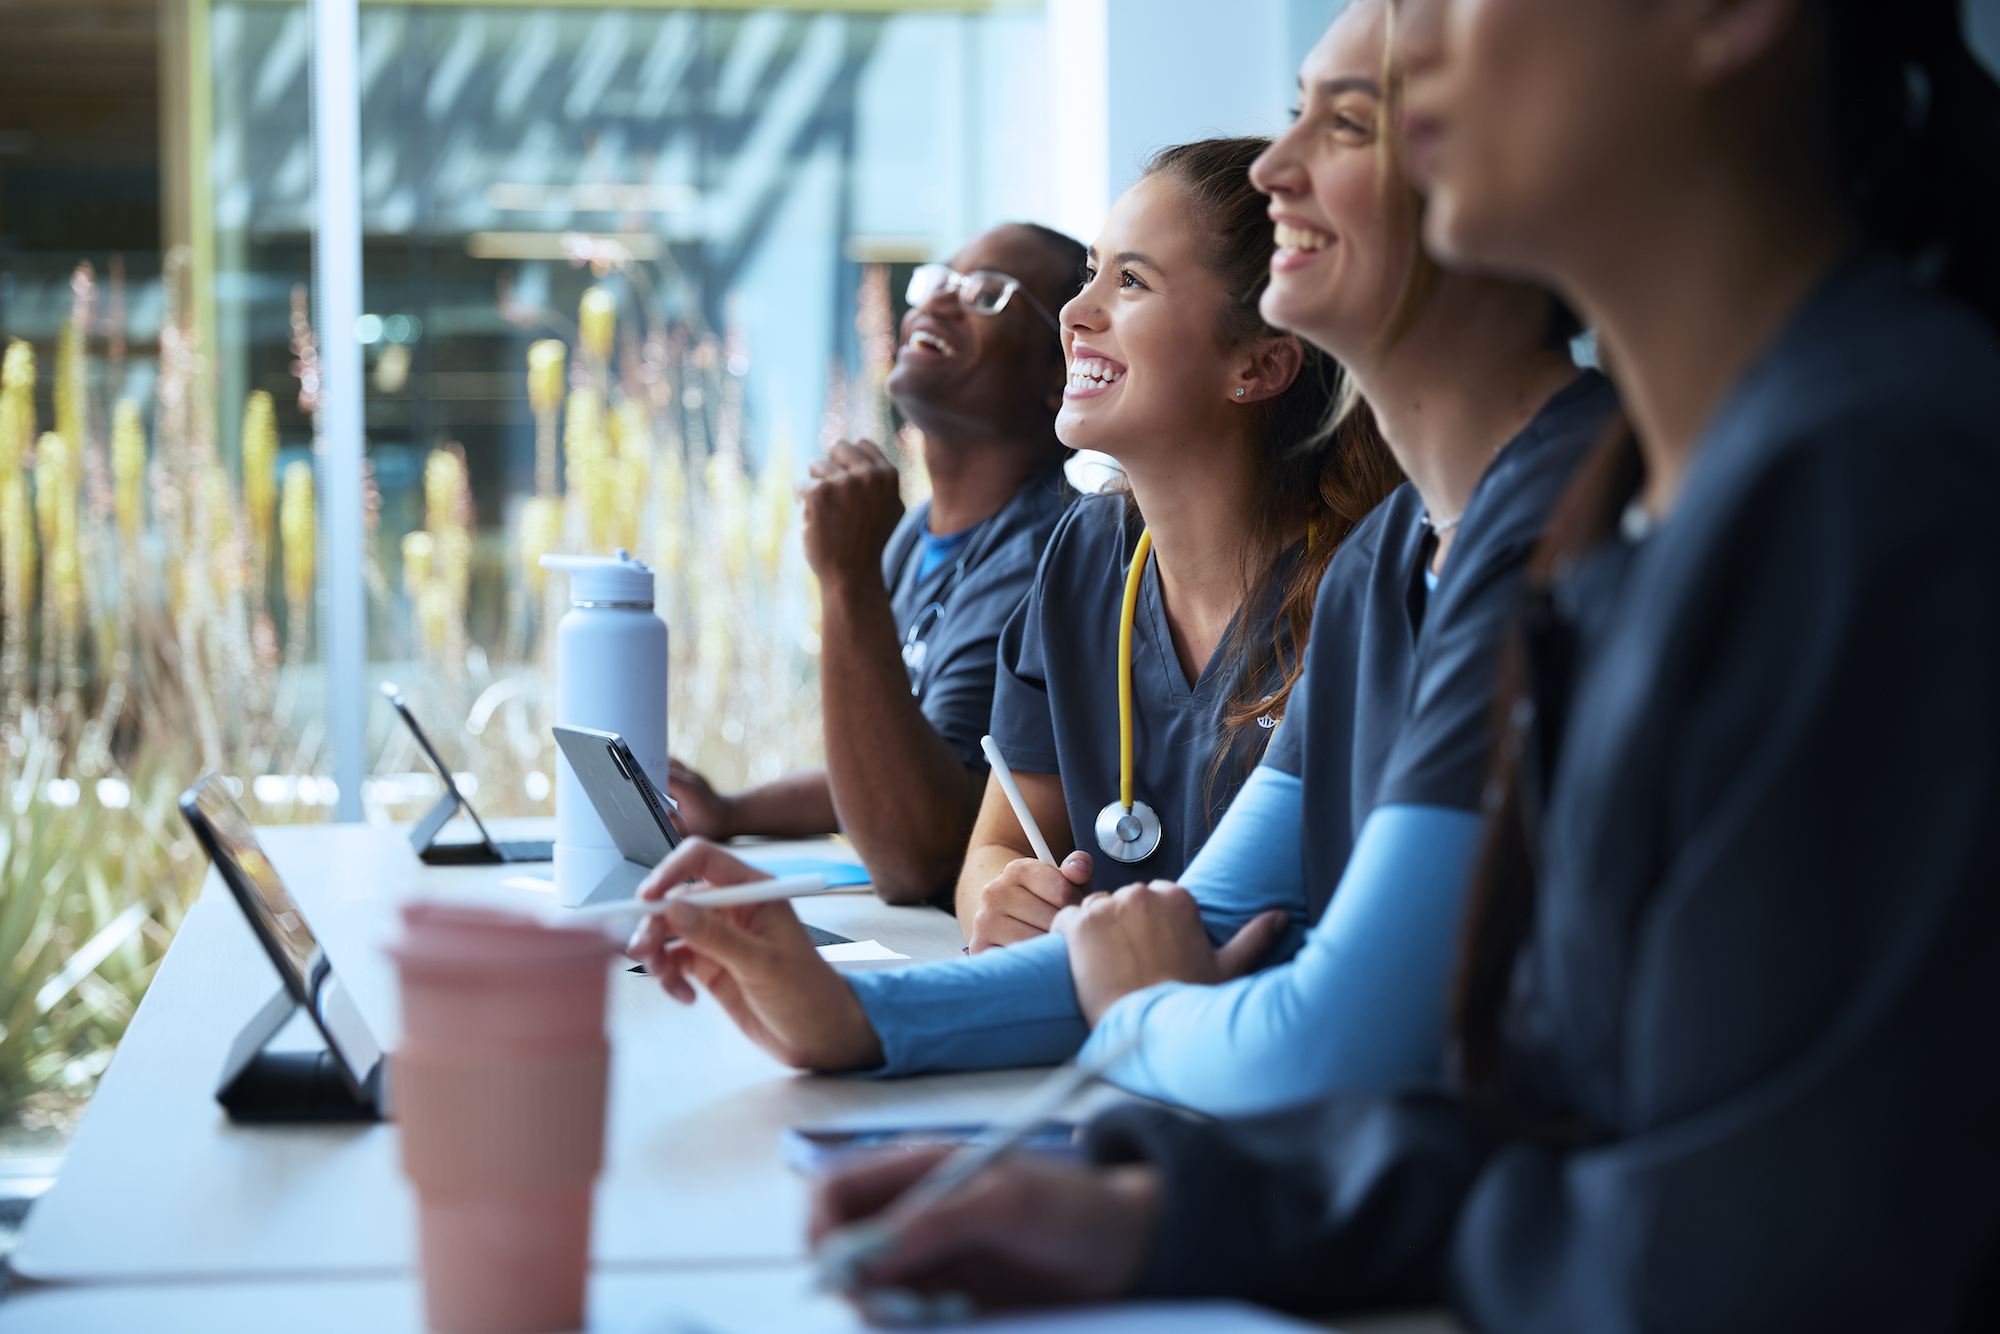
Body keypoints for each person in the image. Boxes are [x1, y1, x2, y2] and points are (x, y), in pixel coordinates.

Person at [807, 0, 2000, 1325]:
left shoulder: (1862, 492)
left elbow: (1728, 1252)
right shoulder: (1553, 525)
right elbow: (1563, 1129)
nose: (1274, 167)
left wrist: (1145, 1027)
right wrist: (1159, 1210)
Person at [628, 137, 1401, 1077]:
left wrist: (861, 1012)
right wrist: (1001, 896)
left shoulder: (1368, 590)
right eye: (1088, 277)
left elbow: (1230, 943)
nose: (1077, 315)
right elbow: (991, 843)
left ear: (1260, 364)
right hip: (1112, 1065)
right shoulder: (1085, 561)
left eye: (1133, 283)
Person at [1040, 0, 1617, 1117]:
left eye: (1347, 125)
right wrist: (844, 1007)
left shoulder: (1568, 512)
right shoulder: (1383, 556)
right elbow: (1195, 925)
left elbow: (1325, 1042)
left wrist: (1136, 1016)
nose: (1270, 169)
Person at [666, 223, 1081, 906]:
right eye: (937, 282)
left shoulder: (1050, 553)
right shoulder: (914, 532)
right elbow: (893, 760)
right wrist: (733, 813)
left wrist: (848, 579)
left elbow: (920, 856)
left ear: (1057, 375)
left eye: (985, 294)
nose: (937, 304)